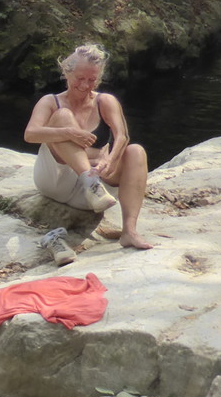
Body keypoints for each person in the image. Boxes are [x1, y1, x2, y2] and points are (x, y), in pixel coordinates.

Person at [24, 43, 152, 249]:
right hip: (58, 181)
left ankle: (129, 231)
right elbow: (30, 134)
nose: (85, 85)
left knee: (136, 151)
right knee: (63, 117)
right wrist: (67, 133)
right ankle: (89, 181)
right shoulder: (50, 101)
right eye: (80, 79)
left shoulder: (105, 101)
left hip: (95, 193)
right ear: (67, 73)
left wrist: (111, 160)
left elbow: (123, 136)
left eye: (91, 80)